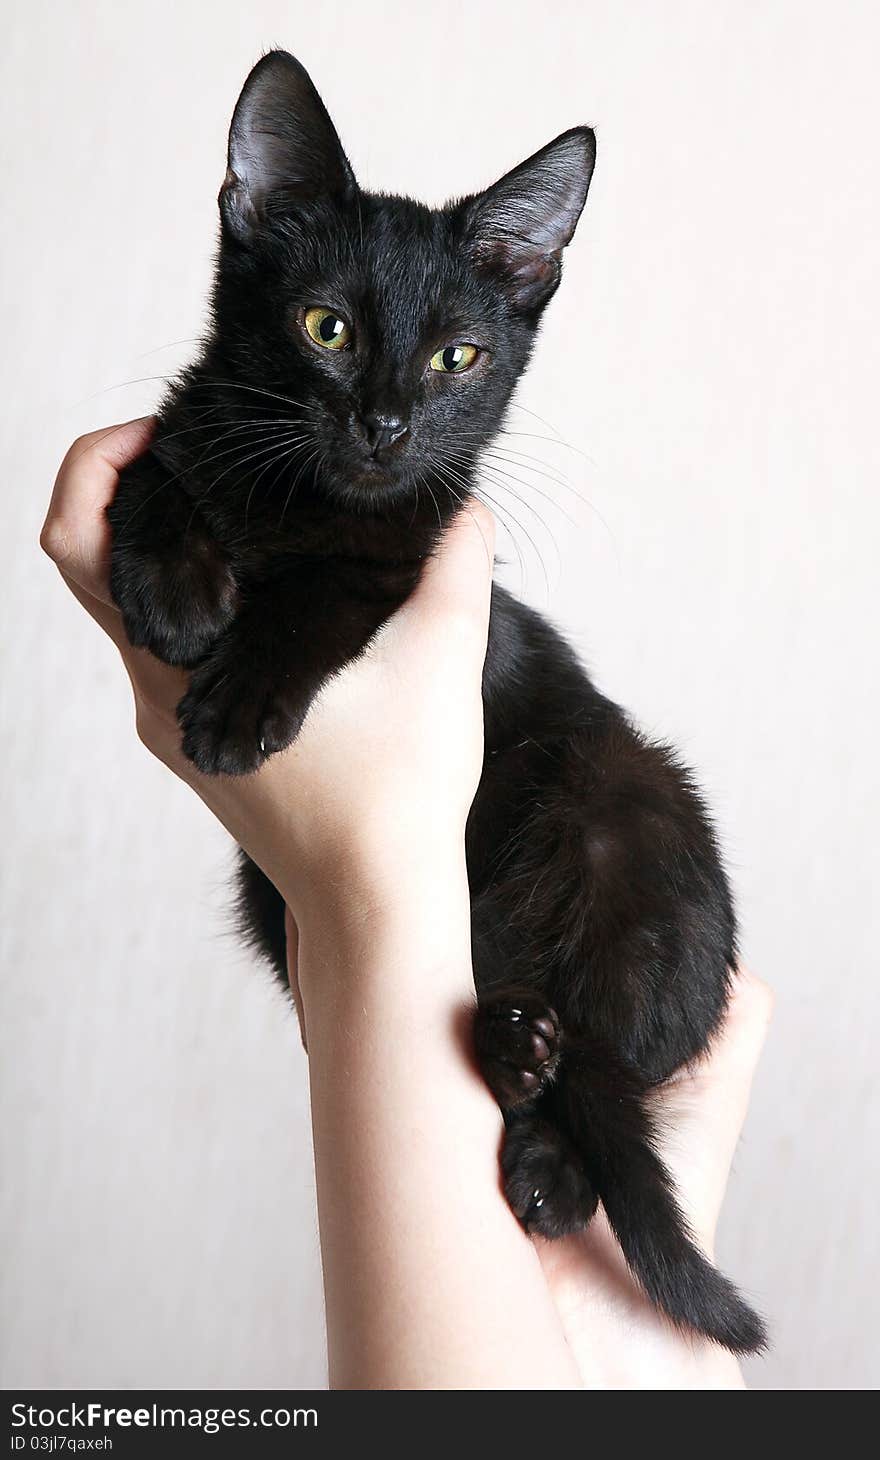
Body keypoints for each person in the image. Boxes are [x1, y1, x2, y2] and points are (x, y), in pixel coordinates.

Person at [41, 418, 773, 1390]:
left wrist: (362, 883)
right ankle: (560, 1184)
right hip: (488, 1008)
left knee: (624, 829)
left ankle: (555, 1134)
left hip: (551, 916)